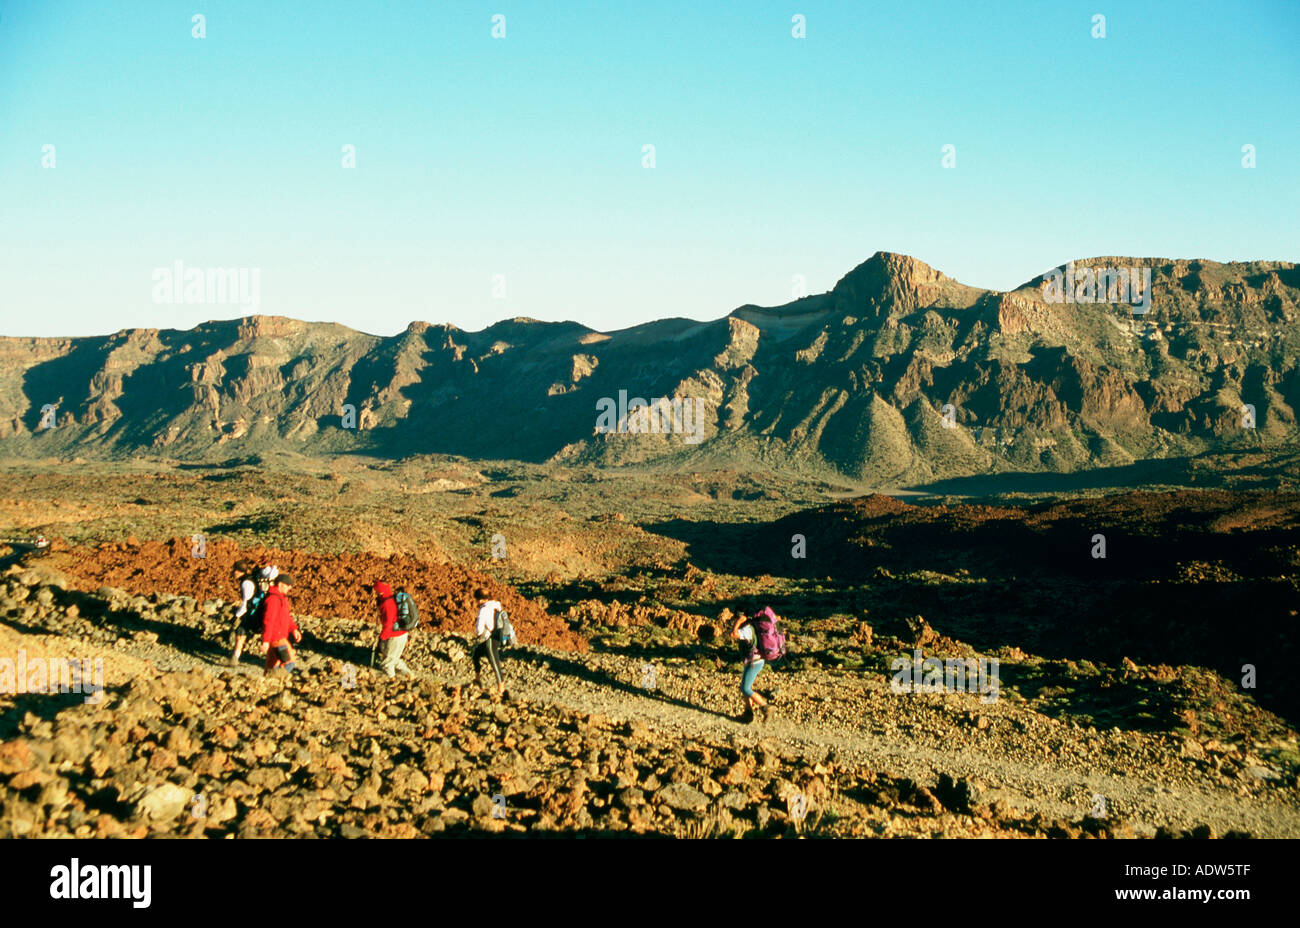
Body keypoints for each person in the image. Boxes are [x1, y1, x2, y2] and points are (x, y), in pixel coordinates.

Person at [733, 608, 771, 723]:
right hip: (754, 661)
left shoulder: (747, 629)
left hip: (754, 662)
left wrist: (738, 622)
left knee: (745, 688)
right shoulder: (751, 626)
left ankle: (766, 706)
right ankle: (748, 714)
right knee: (745, 687)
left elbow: (733, 634)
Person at [259, 573, 302, 674]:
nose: (289, 588)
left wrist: (293, 629)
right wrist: (265, 641)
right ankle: (274, 680)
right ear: (280, 584)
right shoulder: (273, 599)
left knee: (271, 667)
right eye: (287, 585)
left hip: (278, 638)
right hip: (277, 639)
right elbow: (268, 621)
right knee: (289, 662)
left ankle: (266, 685)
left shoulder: (281, 599)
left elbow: (286, 617)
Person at [373, 581, 413, 678]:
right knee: (394, 659)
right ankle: (409, 675)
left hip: (395, 636)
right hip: (402, 633)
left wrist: (382, 637)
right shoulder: (391, 598)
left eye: (376, 590)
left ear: (380, 591)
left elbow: (388, 623)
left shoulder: (387, 604)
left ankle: (391, 681)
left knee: (386, 663)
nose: (374, 592)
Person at [471, 589, 507, 699]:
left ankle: (501, 688)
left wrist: (478, 634)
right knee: (476, 654)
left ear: (480, 599)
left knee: (494, 661)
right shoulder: (496, 605)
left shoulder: (484, 610)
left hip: (490, 639)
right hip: (497, 637)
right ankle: (477, 680)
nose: (476, 602)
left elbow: (479, 628)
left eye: (476, 600)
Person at [228, 559, 258, 666]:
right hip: (254, 612)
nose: (233, 573)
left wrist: (236, 616)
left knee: (240, 632)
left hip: (252, 613)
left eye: (234, 570)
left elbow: (246, 602)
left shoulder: (246, 583)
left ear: (239, 571)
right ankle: (235, 656)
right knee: (241, 632)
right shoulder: (250, 580)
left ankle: (235, 657)